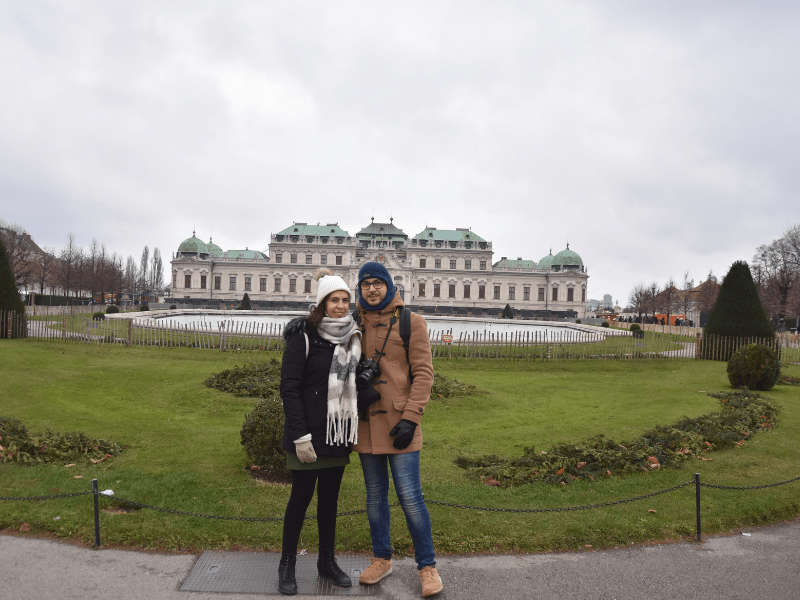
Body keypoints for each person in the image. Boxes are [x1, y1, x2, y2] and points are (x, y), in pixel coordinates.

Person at [353, 261, 443, 598]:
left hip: (400, 423)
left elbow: (424, 373)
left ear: (389, 285)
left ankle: (427, 566)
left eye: (378, 282)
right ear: (359, 288)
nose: (372, 289)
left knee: (411, 498)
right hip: (366, 424)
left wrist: (411, 417)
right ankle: (381, 559)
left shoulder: (411, 322)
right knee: (375, 498)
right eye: (366, 283)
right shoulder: (352, 321)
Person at [277, 270, 361, 595]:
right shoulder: (304, 336)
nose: (340, 306)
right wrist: (300, 437)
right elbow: (289, 388)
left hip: (335, 434)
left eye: (344, 300)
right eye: (333, 300)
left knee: (329, 503)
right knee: (299, 500)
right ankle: (287, 564)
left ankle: (327, 561)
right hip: (307, 435)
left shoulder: (352, 337)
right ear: (322, 302)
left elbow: (353, 386)